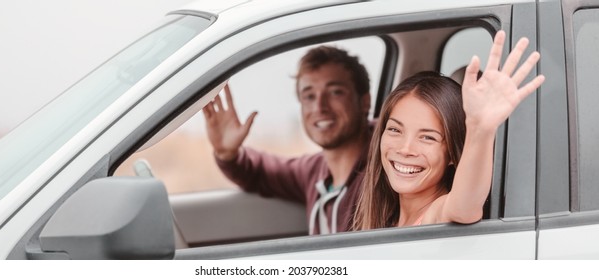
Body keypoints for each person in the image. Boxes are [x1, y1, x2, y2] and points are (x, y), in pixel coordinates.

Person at [353, 30, 545, 229]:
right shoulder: (385, 218)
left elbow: (464, 206)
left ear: (452, 154)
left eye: (427, 137)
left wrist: (480, 128)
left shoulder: (436, 215)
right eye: (395, 130)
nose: (405, 149)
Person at [202, 46, 372, 235]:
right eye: (309, 96)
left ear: (365, 102)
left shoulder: (387, 166)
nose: (319, 107)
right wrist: (228, 153)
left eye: (335, 92)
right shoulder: (315, 171)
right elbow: (260, 171)